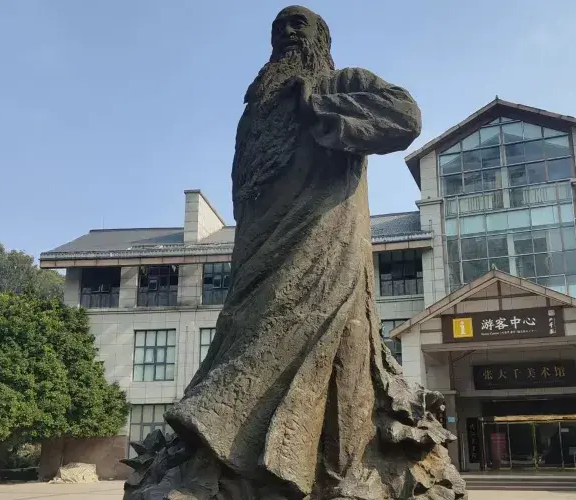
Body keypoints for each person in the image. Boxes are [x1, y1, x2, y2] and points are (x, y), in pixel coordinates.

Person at [154, 5, 465, 500]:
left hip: (324, 237)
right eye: (278, 27)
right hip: (259, 245)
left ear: (321, 37)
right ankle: (235, 457)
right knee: (246, 327)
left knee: (320, 338)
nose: (286, 33)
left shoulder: (340, 82)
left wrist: (319, 108)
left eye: (298, 24)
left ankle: (316, 467)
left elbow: (405, 115)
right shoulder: (254, 109)